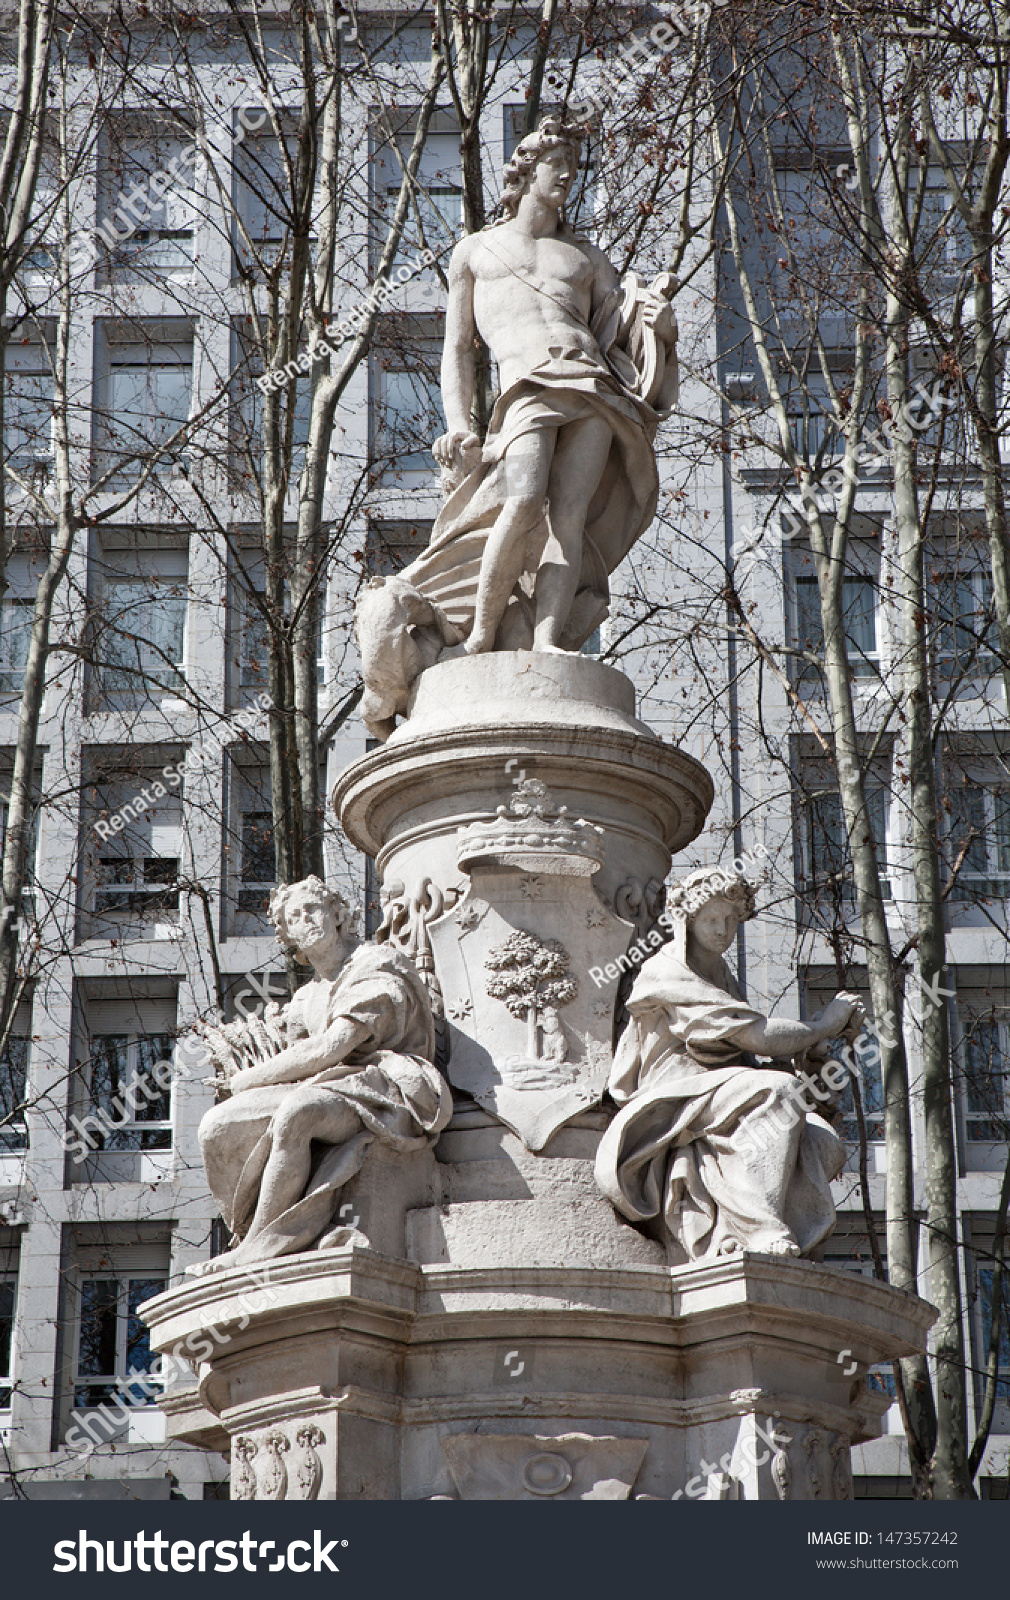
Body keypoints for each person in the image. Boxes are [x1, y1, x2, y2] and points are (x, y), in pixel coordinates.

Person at [355, 117, 679, 737]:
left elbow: (626, 329)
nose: (568, 180)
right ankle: (480, 633)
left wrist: (659, 324)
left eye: (574, 172)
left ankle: (551, 638)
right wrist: (459, 423)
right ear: (529, 171)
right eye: (560, 169)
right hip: (525, 387)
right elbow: (459, 351)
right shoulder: (477, 250)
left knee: (571, 516)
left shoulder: (585, 257)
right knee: (525, 498)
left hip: (593, 388)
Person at [595, 869, 864, 1262]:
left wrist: (809, 1052)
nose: (722, 930)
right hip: (674, 1092)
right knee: (780, 1093)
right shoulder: (667, 970)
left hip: (717, 1086)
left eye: (730, 920)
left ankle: (750, 1234)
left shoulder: (720, 974)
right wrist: (825, 1024)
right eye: (710, 920)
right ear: (687, 921)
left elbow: (745, 1053)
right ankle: (761, 1230)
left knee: (823, 1139)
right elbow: (756, 1036)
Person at [194, 876, 452, 1268]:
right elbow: (297, 1057)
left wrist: (247, 1079)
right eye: (294, 917)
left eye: (313, 908)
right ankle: (245, 1232)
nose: (306, 919)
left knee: (300, 1111)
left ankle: (263, 1246)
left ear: (337, 914)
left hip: (388, 1086)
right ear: (289, 936)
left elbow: (331, 1047)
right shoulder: (306, 998)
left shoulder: (377, 963)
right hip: (333, 1084)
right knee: (216, 1125)